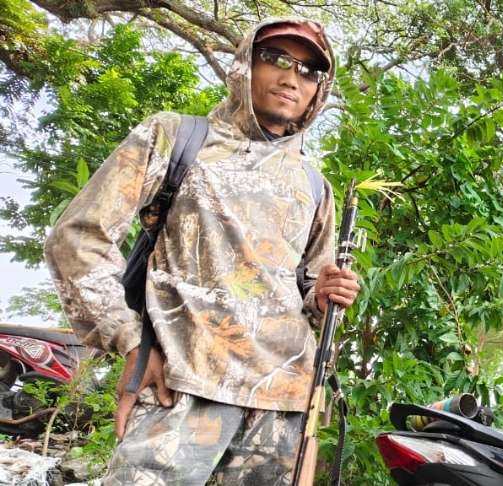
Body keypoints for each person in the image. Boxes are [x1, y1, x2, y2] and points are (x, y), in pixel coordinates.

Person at [44, 17, 359, 485]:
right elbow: (77, 237)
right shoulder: (175, 137)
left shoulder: (315, 187)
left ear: (320, 88)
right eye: (274, 58)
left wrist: (325, 294)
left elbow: (310, 290)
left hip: (281, 408)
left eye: (310, 70)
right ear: (243, 65)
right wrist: (128, 339)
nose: (292, 77)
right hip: (181, 386)